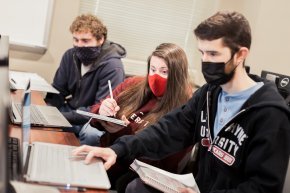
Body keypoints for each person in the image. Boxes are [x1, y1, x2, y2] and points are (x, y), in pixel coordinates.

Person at [73, 11, 290, 193]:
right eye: (202, 53)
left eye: (214, 53)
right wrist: (118, 150)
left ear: (240, 54)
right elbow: (167, 130)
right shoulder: (209, 94)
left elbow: (263, 187)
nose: (206, 61)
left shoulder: (270, 113)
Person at [78, 43, 193, 191]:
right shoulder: (134, 84)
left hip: (136, 175)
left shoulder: (185, 108)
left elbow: (162, 162)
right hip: (110, 158)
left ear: (177, 75)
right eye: (152, 70)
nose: (155, 76)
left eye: (164, 72)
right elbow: (94, 117)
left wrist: (120, 132)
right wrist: (103, 112)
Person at [45, 14, 126, 135]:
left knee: (91, 134)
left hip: (92, 119)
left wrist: (60, 117)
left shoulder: (113, 67)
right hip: (71, 111)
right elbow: (58, 90)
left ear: (101, 39)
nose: (79, 45)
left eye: (85, 41)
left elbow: (99, 109)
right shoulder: (70, 56)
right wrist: (47, 110)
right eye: (76, 40)